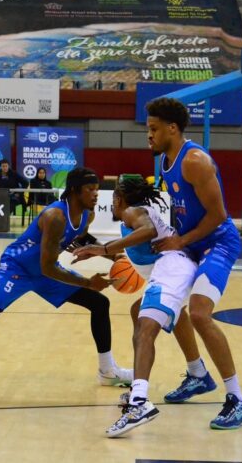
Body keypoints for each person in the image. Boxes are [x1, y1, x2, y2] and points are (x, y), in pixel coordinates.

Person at [0, 167, 132, 393]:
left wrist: (111, 255)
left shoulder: (88, 214)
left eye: (97, 189)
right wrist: (88, 282)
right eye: (90, 189)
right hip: (16, 269)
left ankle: (107, 371)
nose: (96, 194)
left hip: (45, 271)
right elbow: (48, 267)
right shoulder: (54, 215)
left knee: (99, 303)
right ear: (75, 190)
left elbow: (77, 238)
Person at [146, 97, 242, 430]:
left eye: (153, 129)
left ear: (172, 129)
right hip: (190, 241)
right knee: (163, 307)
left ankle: (237, 399)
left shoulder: (195, 161)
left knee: (201, 313)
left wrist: (181, 241)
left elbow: (220, 215)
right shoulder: (164, 160)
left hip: (217, 242)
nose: (148, 135)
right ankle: (198, 375)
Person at [72, 177, 197, 437]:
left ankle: (139, 403)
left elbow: (148, 230)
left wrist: (102, 247)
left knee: (145, 330)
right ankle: (198, 372)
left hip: (171, 268)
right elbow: (139, 244)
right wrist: (105, 253)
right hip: (174, 269)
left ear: (118, 200)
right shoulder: (136, 214)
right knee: (137, 314)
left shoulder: (133, 212)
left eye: (113, 200)